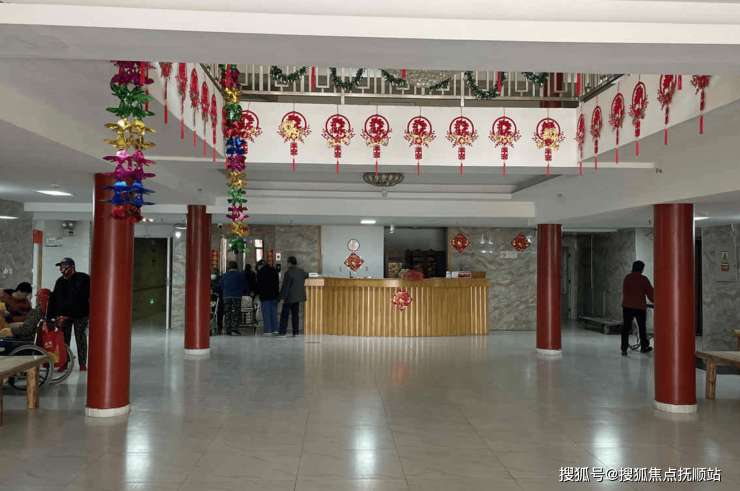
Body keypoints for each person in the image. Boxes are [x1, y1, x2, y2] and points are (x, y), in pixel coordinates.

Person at [49, 258, 90, 371]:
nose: (61, 269)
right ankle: (64, 363)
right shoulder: (60, 281)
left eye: (64, 266)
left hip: (81, 314)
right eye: (60, 266)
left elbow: (91, 294)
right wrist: (55, 316)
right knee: (63, 340)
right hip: (65, 315)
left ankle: (82, 363)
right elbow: (55, 299)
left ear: (72, 267)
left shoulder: (83, 278)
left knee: (80, 339)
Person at [621, 260, 655, 356]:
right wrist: (656, 301)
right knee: (642, 328)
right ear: (641, 269)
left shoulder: (627, 278)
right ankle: (644, 347)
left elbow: (625, 291)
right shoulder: (643, 279)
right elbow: (651, 294)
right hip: (639, 307)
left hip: (627, 306)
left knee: (626, 328)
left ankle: (624, 349)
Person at [278, 256, 308, 338]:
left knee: (285, 315)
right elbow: (307, 275)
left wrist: (282, 298)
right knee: (295, 315)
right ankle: (296, 332)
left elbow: (286, 287)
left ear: (289, 263)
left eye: (287, 263)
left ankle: (282, 332)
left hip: (289, 298)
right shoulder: (301, 271)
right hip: (297, 298)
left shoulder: (288, 273)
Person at [220, 261, 249, 336]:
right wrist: (248, 291)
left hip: (226, 296)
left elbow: (221, 285)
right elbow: (244, 284)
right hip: (236, 295)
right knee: (236, 312)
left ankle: (228, 329)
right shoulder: (240, 275)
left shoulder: (225, 275)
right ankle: (235, 328)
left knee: (227, 312)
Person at [255, 259, 280, 335]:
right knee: (274, 313)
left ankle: (268, 330)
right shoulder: (274, 271)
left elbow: (259, 285)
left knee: (266, 314)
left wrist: (256, 292)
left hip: (265, 296)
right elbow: (277, 282)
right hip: (274, 296)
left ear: (260, 266)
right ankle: (275, 329)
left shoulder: (260, 272)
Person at [210, 267, 224, 334]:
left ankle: (219, 326)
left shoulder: (220, 279)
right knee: (212, 313)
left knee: (219, 313)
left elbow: (221, 287)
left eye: (213, 273)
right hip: (211, 299)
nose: (212, 274)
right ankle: (212, 326)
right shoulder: (208, 279)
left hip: (219, 298)